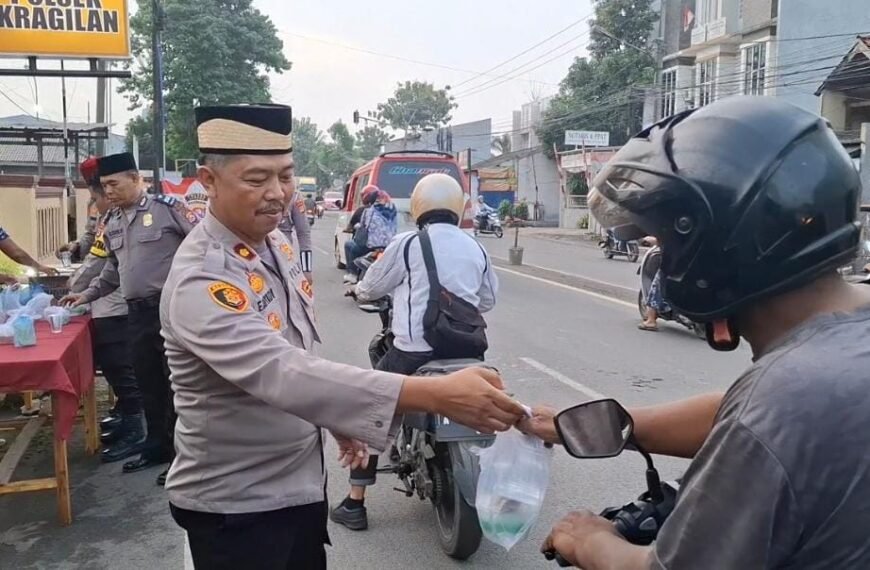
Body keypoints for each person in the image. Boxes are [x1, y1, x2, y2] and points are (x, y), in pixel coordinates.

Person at [159, 103, 524, 569]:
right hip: (238, 504)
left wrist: (335, 418)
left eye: (286, 176)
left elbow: (295, 350)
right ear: (207, 181)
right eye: (256, 180)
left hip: (298, 483)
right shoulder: (201, 279)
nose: (278, 194)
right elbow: (282, 372)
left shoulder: (274, 244)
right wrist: (437, 396)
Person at [521, 96, 870, 569]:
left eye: (665, 241)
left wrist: (585, 538)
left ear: (716, 245)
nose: (662, 259)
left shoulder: (786, 397)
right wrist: (588, 427)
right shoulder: (826, 363)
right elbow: (739, 420)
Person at [331, 172, 498, 531]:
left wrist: (358, 292)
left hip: (414, 355)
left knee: (370, 410)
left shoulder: (408, 243)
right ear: (458, 206)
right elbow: (487, 299)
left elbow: (372, 286)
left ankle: (355, 504)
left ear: (419, 206)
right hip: (469, 354)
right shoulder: (476, 246)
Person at [61, 152, 198, 485]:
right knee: (148, 382)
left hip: (171, 311)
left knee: (176, 386)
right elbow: (112, 268)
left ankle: (184, 458)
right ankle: (157, 446)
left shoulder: (167, 209)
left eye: (114, 183)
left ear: (137, 179)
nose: (108, 191)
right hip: (136, 314)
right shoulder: (114, 221)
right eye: (104, 185)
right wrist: (87, 294)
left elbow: (202, 244)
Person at [67, 159, 144, 463]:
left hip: (115, 303)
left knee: (121, 367)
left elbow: (99, 263)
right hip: (104, 299)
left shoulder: (124, 215)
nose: (101, 200)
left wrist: (76, 288)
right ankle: (129, 419)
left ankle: (136, 427)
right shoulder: (109, 216)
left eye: (103, 193)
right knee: (115, 367)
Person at [343, 185, 388, 284]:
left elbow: (361, 226)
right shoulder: (388, 210)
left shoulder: (364, 211)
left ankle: (352, 274)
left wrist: (353, 228)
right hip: (387, 245)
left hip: (368, 246)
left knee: (349, 245)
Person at [276, 189, 314, 283]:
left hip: (284, 256)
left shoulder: (295, 197)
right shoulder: (255, 191)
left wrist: (306, 270)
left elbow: (303, 233)